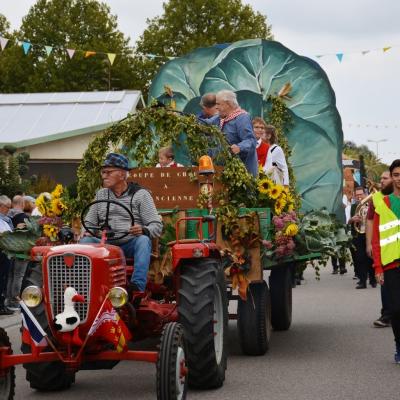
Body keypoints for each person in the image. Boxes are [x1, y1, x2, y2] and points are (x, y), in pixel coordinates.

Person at [81, 153, 163, 297]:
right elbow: (88, 222)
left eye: (108, 172)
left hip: (129, 244)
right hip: (105, 245)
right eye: (103, 172)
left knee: (143, 240)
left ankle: (136, 288)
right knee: (85, 242)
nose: (104, 176)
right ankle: (83, 286)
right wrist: (87, 231)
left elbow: (156, 226)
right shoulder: (101, 194)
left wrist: (143, 229)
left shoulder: (141, 195)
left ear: (122, 174)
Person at [371, 159, 400, 363]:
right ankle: (399, 344)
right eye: (396, 175)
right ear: (392, 177)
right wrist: (378, 266)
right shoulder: (384, 203)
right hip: (391, 264)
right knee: (396, 309)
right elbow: (377, 238)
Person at [365, 171, 393, 327]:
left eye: (385, 178)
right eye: (381, 178)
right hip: (384, 246)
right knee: (385, 281)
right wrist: (369, 244)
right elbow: (370, 221)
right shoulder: (376, 198)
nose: (381, 181)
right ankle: (386, 315)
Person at [348, 186, 376, 289]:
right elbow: (349, 221)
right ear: (355, 196)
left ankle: (373, 279)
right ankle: (362, 281)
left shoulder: (372, 204)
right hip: (358, 234)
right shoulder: (354, 206)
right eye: (357, 195)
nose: (359, 197)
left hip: (370, 234)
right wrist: (352, 219)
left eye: (361, 194)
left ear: (365, 194)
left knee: (371, 257)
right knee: (360, 258)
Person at [0, 195, 14, 315]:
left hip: (6, 252)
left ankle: (2, 305)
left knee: (4, 279)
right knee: (2, 279)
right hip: (2, 252)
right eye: (7, 207)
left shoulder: (4, 220)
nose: (8, 210)